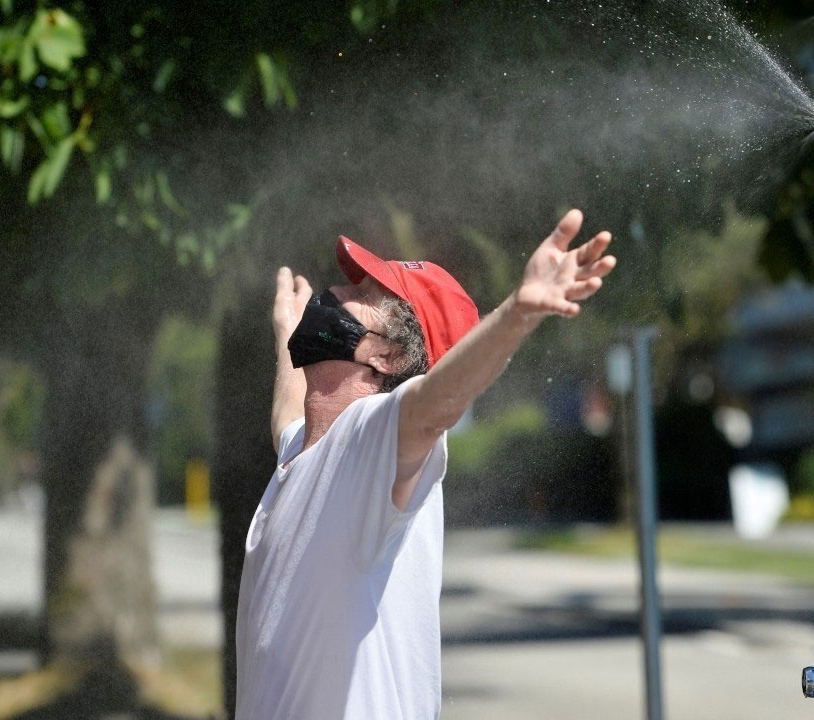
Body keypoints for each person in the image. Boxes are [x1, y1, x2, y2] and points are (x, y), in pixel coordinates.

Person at [234, 209, 616, 719]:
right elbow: (286, 412)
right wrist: (287, 329)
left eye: (362, 296)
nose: (334, 293)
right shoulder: (304, 450)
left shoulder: (370, 442)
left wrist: (517, 315)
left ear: (388, 357)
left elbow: (436, 402)